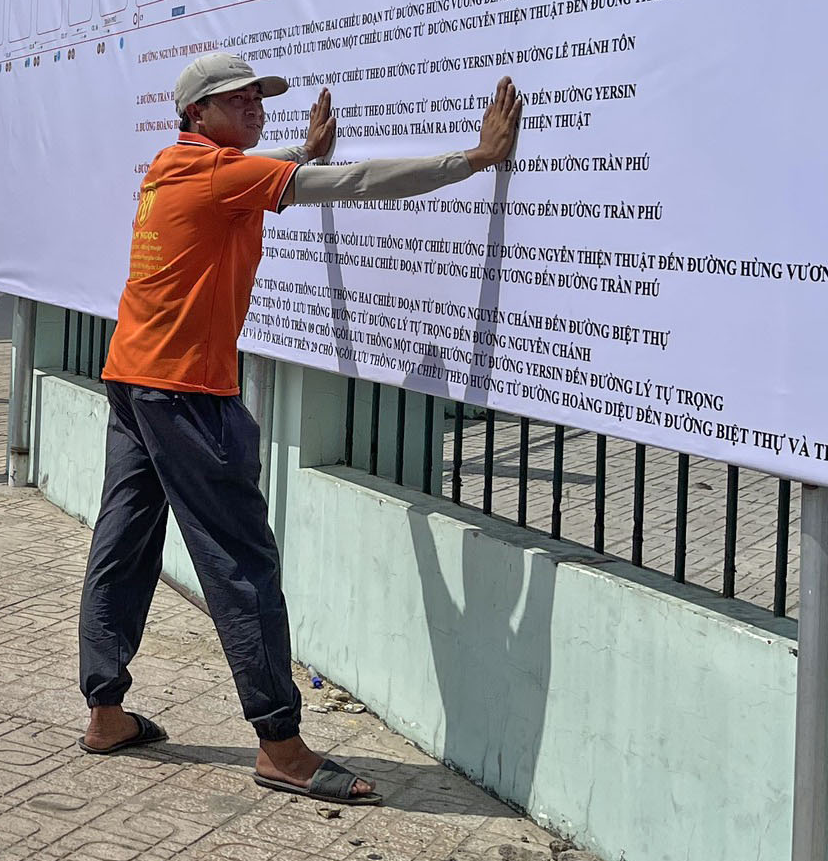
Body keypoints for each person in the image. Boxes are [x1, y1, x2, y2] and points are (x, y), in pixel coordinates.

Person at [77, 52, 523, 804]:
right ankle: (281, 746)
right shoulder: (223, 175)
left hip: (133, 379)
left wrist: (297, 151)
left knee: (123, 543)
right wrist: (474, 158)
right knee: (241, 562)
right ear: (196, 114)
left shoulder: (170, 167)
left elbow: (256, 175)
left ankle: (105, 712)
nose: (254, 104)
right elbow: (352, 184)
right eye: (235, 97)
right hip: (187, 393)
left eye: (258, 94)